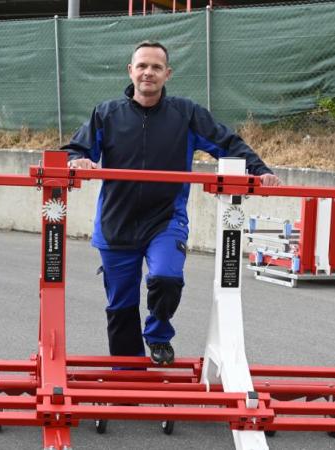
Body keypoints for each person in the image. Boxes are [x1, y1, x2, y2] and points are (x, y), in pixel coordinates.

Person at [63, 41, 280, 366]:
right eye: (142, 66)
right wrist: (76, 161)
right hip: (115, 223)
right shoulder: (106, 114)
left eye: (155, 67)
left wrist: (260, 171)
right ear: (131, 71)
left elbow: (226, 142)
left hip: (165, 220)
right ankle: (127, 373)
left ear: (167, 73)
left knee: (167, 278)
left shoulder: (186, 113)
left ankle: (158, 333)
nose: (148, 73)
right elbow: (73, 151)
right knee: (120, 304)